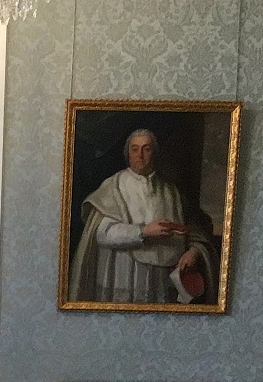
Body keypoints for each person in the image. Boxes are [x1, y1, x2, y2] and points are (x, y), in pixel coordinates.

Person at [67, 128, 215, 304]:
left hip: (161, 279)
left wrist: (194, 251)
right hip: (123, 273)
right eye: (135, 149)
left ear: (155, 153)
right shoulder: (113, 187)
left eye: (147, 149)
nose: (141, 155)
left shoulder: (172, 191)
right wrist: (143, 231)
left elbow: (193, 231)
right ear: (128, 154)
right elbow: (102, 233)